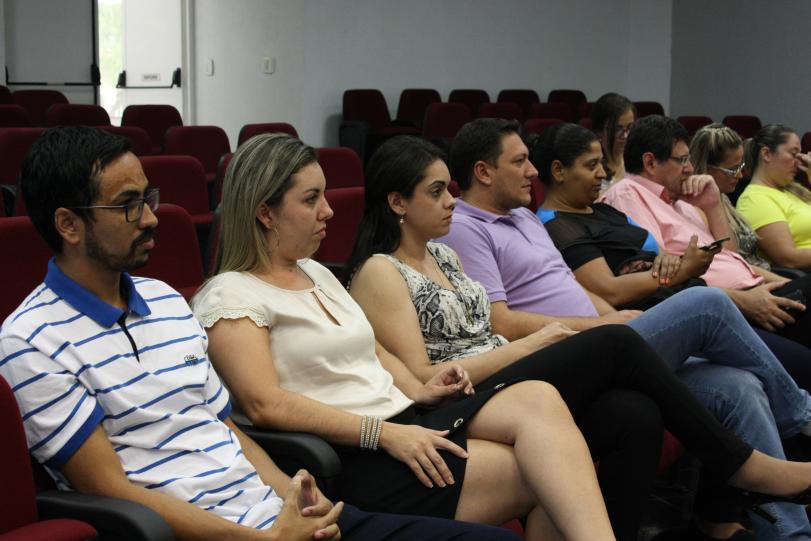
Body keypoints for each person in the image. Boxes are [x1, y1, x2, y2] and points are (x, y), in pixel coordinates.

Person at [0, 126, 525, 541]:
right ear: (68, 225)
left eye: (148, 198)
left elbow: (226, 427)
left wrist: (301, 500)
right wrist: (264, 538)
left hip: (277, 516)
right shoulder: (31, 340)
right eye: (127, 205)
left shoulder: (164, 300)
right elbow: (109, 490)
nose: (151, 218)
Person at [345, 132, 811, 541]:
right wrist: (535, 343)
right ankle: (742, 463)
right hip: (464, 398)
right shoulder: (382, 271)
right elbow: (424, 379)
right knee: (630, 335)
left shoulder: (444, 256)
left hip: (506, 371)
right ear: (398, 203)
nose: (450, 201)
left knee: (634, 413)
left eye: (448, 189)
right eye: (435, 192)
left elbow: (490, 326)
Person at [192, 133, 621, 541]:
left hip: (401, 420)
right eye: (311, 199)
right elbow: (264, 404)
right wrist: (382, 433)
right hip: (353, 453)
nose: (328, 211)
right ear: (265, 213)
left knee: (542, 406)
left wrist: (420, 389)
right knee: (549, 473)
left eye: (324, 195)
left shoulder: (315, 272)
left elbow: (371, 348)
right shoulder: (230, 294)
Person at [602, 115, 811, 349]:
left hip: (753, 295)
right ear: (650, 163)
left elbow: (730, 256)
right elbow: (662, 277)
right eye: (682, 160)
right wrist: (744, 301)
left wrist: (712, 204)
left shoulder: (680, 200)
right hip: (724, 312)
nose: (690, 169)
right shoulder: (627, 195)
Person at [689, 123, 773, 270]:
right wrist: (780, 280)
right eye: (733, 169)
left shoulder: (724, 197)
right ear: (707, 168)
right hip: (747, 278)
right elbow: (732, 260)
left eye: (740, 166)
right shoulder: (697, 209)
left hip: (759, 275)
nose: (740, 175)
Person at [736, 124, 811, 271]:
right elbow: (789, 258)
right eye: (794, 154)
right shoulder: (755, 199)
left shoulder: (795, 190)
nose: (799, 162)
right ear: (766, 154)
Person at [591, 92, 635, 188]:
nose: (625, 136)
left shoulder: (636, 159)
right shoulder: (591, 165)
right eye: (617, 129)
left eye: (630, 127)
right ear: (600, 130)